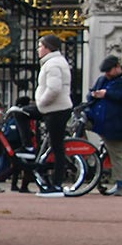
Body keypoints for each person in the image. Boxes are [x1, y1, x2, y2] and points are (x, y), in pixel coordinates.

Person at [85, 54, 122, 195]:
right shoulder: (103, 79)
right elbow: (91, 95)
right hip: (100, 120)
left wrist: (107, 94)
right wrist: (94, 95)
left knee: (117, 154)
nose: (107, 74)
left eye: (109, 71)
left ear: (117, 67)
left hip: (117, 123)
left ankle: (121, 185)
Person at [33, 33, 74, 196]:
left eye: (40, 46)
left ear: (48, 48)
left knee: (57, 147)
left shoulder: (53, 64)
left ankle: (57, 184)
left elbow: (54, 88)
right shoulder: (53, 62)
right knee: (20, 113)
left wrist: (41, 103)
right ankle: (28, 148)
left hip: (55, 108)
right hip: (53, 108)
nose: (38, 49)